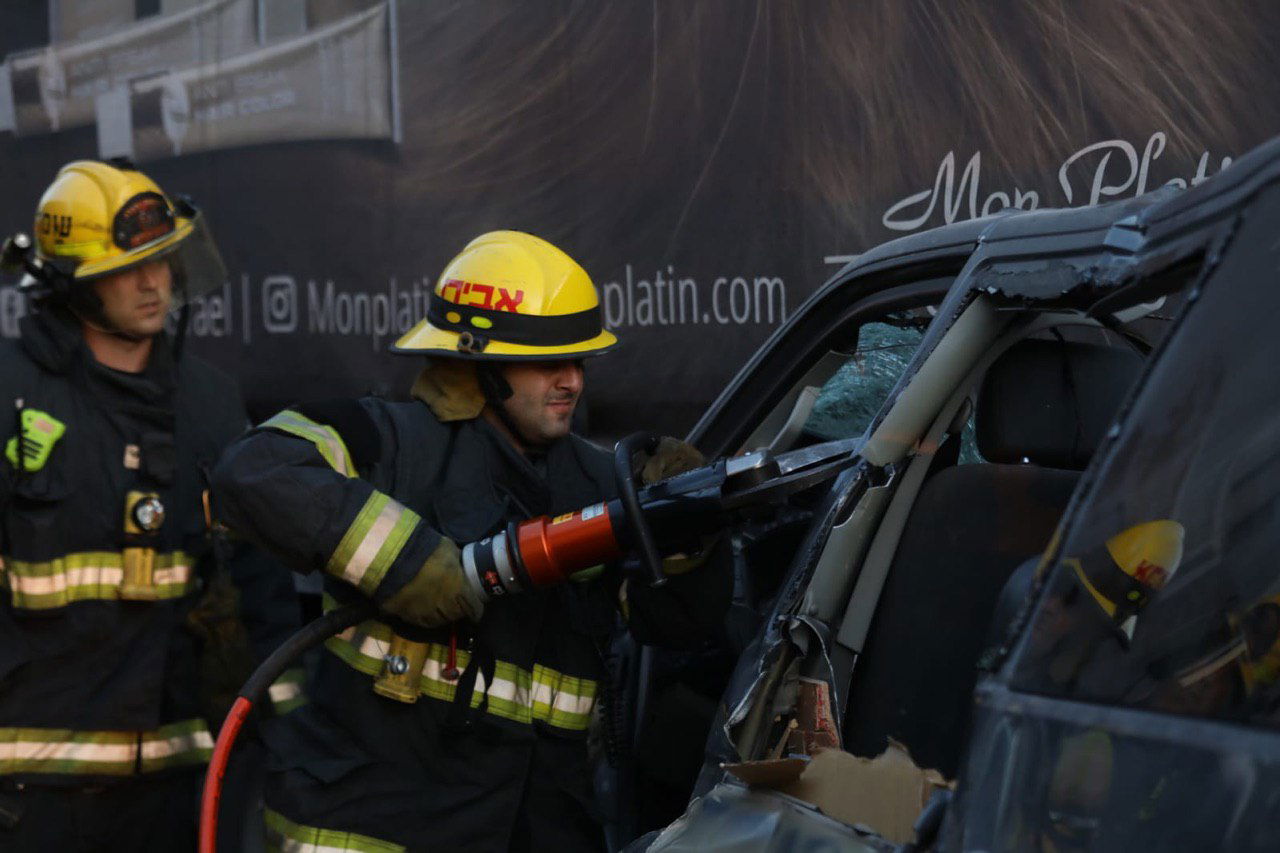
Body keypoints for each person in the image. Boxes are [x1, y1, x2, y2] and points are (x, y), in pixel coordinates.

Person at [211, 230, 731, 851]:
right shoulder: (390, 445)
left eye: (579, 361)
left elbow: (677, 623)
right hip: (377, 826)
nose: (573, 382)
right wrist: (411, 564)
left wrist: (683, 534)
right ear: (480, 364)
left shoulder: (594, 486)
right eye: (547, 362)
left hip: (539, 826)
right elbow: (253, 472)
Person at [0, 159, 301, 851]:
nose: (153, 282)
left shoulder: (208, 402)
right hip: (29, 802)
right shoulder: (10, 397)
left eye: (163, 261)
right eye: (125, 267)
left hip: (178, 793)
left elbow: (263, 589)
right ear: (68, 282)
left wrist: (286, 750)